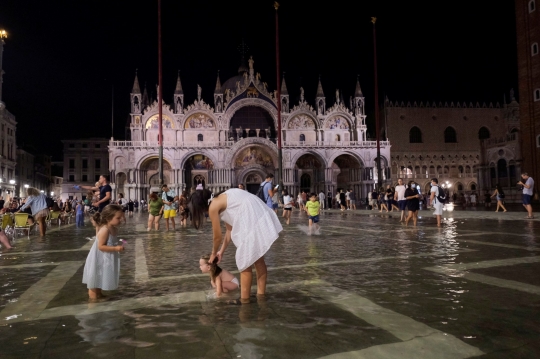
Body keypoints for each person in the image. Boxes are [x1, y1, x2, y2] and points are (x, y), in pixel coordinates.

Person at [192, 188, 282, 304]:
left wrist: (213, 253)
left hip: (250, 215)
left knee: (244, 264)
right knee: (258, 259)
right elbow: (229, 230)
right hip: (256, 211)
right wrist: (221, 252)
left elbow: (217, 237)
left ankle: (244, 300)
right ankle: (261, 295)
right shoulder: (222, 198)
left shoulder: (213, 206)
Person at [82, 205, 125, 300]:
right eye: (118, 218)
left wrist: (117, 246)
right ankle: (93, 301)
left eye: (121, 217)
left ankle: (99, 295)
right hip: (98, 258)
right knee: (94, 280)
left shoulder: (114, 229)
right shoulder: (105, 230)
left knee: (100, 276)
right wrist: (116, 248)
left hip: (105, 258)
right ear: (109, 218)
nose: (120, 220)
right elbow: (100, 246)